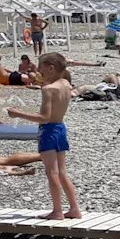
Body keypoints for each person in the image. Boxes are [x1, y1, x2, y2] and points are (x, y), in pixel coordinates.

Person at [6, 53, 82, 220]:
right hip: (61, 128)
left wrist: (18, 113)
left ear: (51, 68)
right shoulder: (66, 84)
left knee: (52, 173)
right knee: (62, 172)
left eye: (41, 67)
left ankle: (57, 211)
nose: (38, 70)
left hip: (48, 130)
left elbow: (44, 118)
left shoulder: (49, 90)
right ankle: (74, 209)